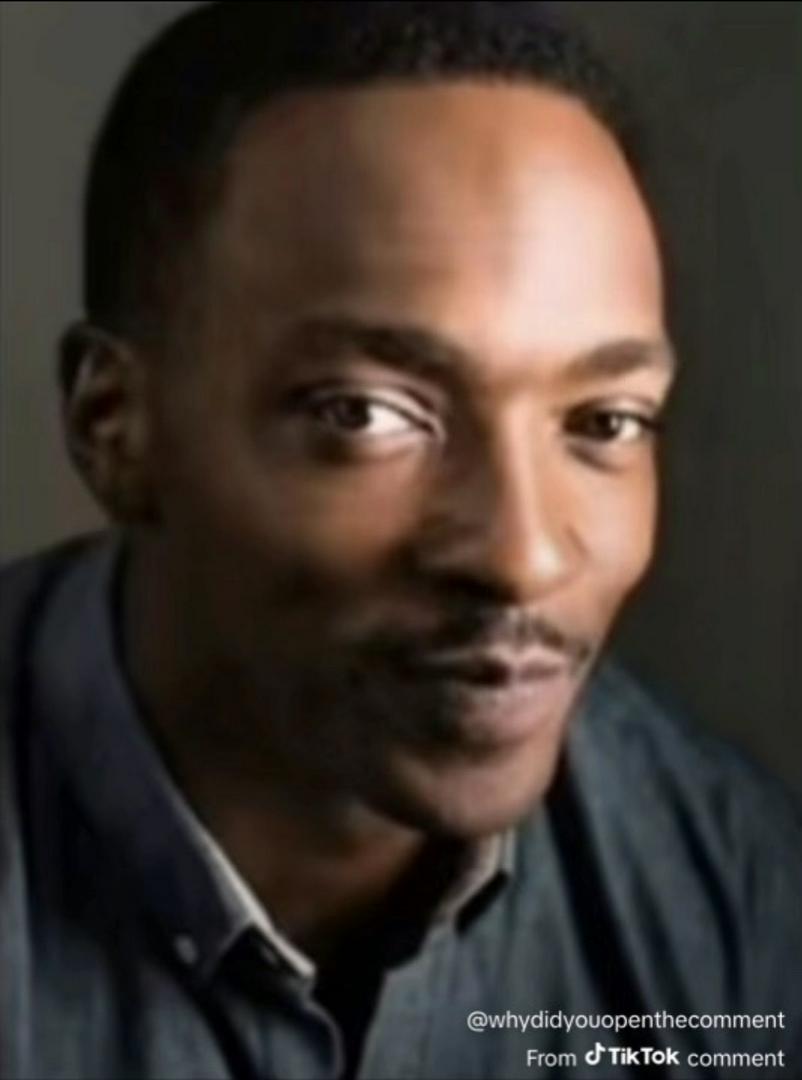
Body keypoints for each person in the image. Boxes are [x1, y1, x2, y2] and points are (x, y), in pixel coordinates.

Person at [1, 3, 799, 1078]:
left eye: (605, 423)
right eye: (365, 414)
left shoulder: (730, 889)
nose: (522, 557)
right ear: (116, 429)